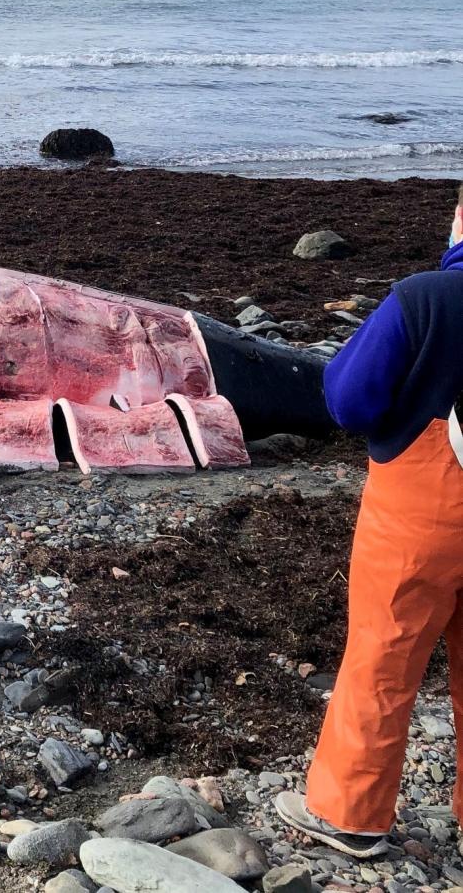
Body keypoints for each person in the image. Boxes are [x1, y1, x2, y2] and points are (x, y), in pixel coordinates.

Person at [275, 185, 463, 859]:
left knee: (384, 653)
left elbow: (348, 399)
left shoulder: (425, 298)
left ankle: (351, 813)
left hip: (420, 512)